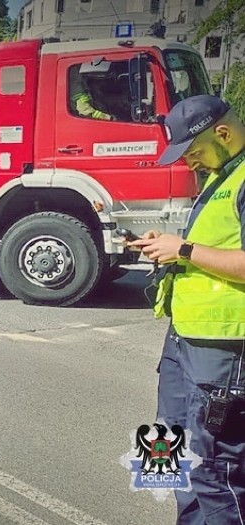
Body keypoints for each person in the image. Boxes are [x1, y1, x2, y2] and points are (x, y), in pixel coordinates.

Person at [129, 94, 245, 524]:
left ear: (223, 132)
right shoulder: (220, 174)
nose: (189, 162)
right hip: (183, 341)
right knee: (169, 450)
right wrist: (172, 250)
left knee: (215, 471)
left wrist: (186, 248)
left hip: (223, 351)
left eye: (193, 152)